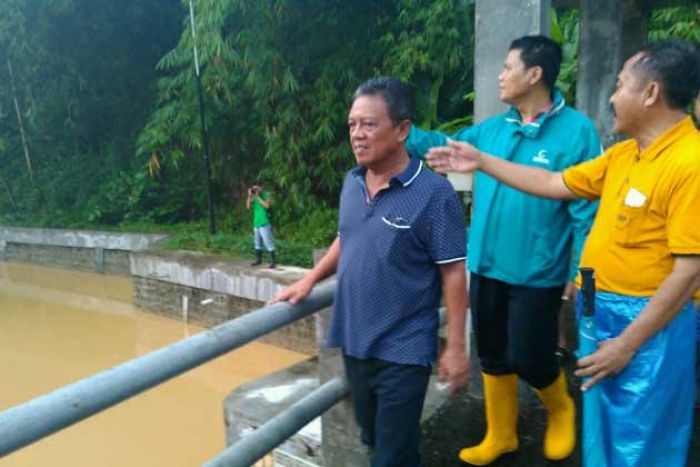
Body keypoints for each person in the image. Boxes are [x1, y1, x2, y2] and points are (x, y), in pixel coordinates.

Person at [427, 38, 700, 467]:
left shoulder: (691, 164)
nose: (611, 96)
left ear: (651, 94)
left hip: (648, 324)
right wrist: (482, 161)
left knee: (644, 430)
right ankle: (506, 435)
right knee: (603, 424)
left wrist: (627, 343)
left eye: (620, 85)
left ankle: (561, 414)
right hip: (601, 308)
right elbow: (554, 184)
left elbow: (690, 272)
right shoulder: (625, 154)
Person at [405, 35, 600, 464]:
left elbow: (586, 209)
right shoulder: (494, 129)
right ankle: (501, 434)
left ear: (535, 74)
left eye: (508, 67)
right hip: (487, 264)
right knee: (492, 354)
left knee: (531, 357)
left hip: (539, 270)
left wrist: (579, 271)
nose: (500, 75)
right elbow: (441, 145)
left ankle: (560, 407)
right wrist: (398, 126)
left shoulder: (577, 132)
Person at [271, 76, 470, 467]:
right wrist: (310, 279)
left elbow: (453, 273)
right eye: (352, 125)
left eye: (369, 125)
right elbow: (348, 237)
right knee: (378, 442)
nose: (357, 135)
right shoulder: (352, 182)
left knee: (390, 457)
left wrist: (458, 348)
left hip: (404, 349)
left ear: (402, 130)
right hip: (356, 342)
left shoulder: (433, 194)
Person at [246, 181, 276, 268]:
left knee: (268, 242)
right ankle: (258, 260)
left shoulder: (267, 194)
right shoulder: (253, 196)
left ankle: (273, 261)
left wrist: (258, 197)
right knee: (257, 242)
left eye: (257, 188)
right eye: (254, 188)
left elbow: (267, 206)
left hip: (265, 222)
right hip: (256, 223)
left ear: (261, 187)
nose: (256, 190)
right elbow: (248, 207)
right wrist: (249, 196)